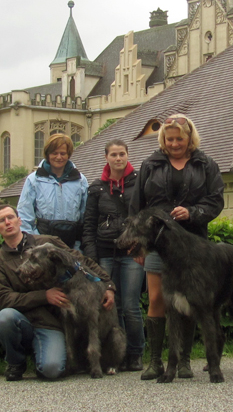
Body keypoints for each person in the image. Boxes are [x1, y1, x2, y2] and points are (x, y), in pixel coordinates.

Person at [129, 114, 224, 380]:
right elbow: (137, 206)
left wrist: (193, 212)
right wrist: (138, 245)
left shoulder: (206, 164)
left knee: (192, 301)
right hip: (158, 245)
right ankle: (155, 361)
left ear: (189, 137)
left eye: (179, 139)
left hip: (194, 245)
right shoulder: (150, 165)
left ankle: (183, 361)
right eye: (169, 139)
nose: (174, 144)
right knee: (157, 299)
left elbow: (216, 200)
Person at [0, 204, 116, 381]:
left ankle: (43, 353)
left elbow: (80, 261)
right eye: (2, 220)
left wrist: (108, 284)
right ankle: (16, 363)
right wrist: (44, 296)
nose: (8, 222)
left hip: (50, 323)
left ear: (19, 220)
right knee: (4, 318)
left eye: (11, 217)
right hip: (22, 319)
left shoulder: (47, 243)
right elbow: (2, 298)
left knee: (51, 370)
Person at [82, 139, 145, 373]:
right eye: (114, 155)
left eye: (122, 154)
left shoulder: (140, 183)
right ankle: (117, 355)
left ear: (128, 155)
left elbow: (145, 218)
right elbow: (88, 225)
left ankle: (136, 353)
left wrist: (140, 248)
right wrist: (92, 259)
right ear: (106, 158)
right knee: (111, 307)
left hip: (131, 254)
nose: (118, 158)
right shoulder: (97, 188)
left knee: (130, 306)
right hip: (105, 253)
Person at [17, 134, 89, 249]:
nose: (59, 157)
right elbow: (24, 216)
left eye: (63, 153)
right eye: (54, 153)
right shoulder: (34, 180)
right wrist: (35, 243)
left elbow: (85, 215)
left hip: (72, 246)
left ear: (68, 155)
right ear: (47, 154)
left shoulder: (80, 180)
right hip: (42, 246)